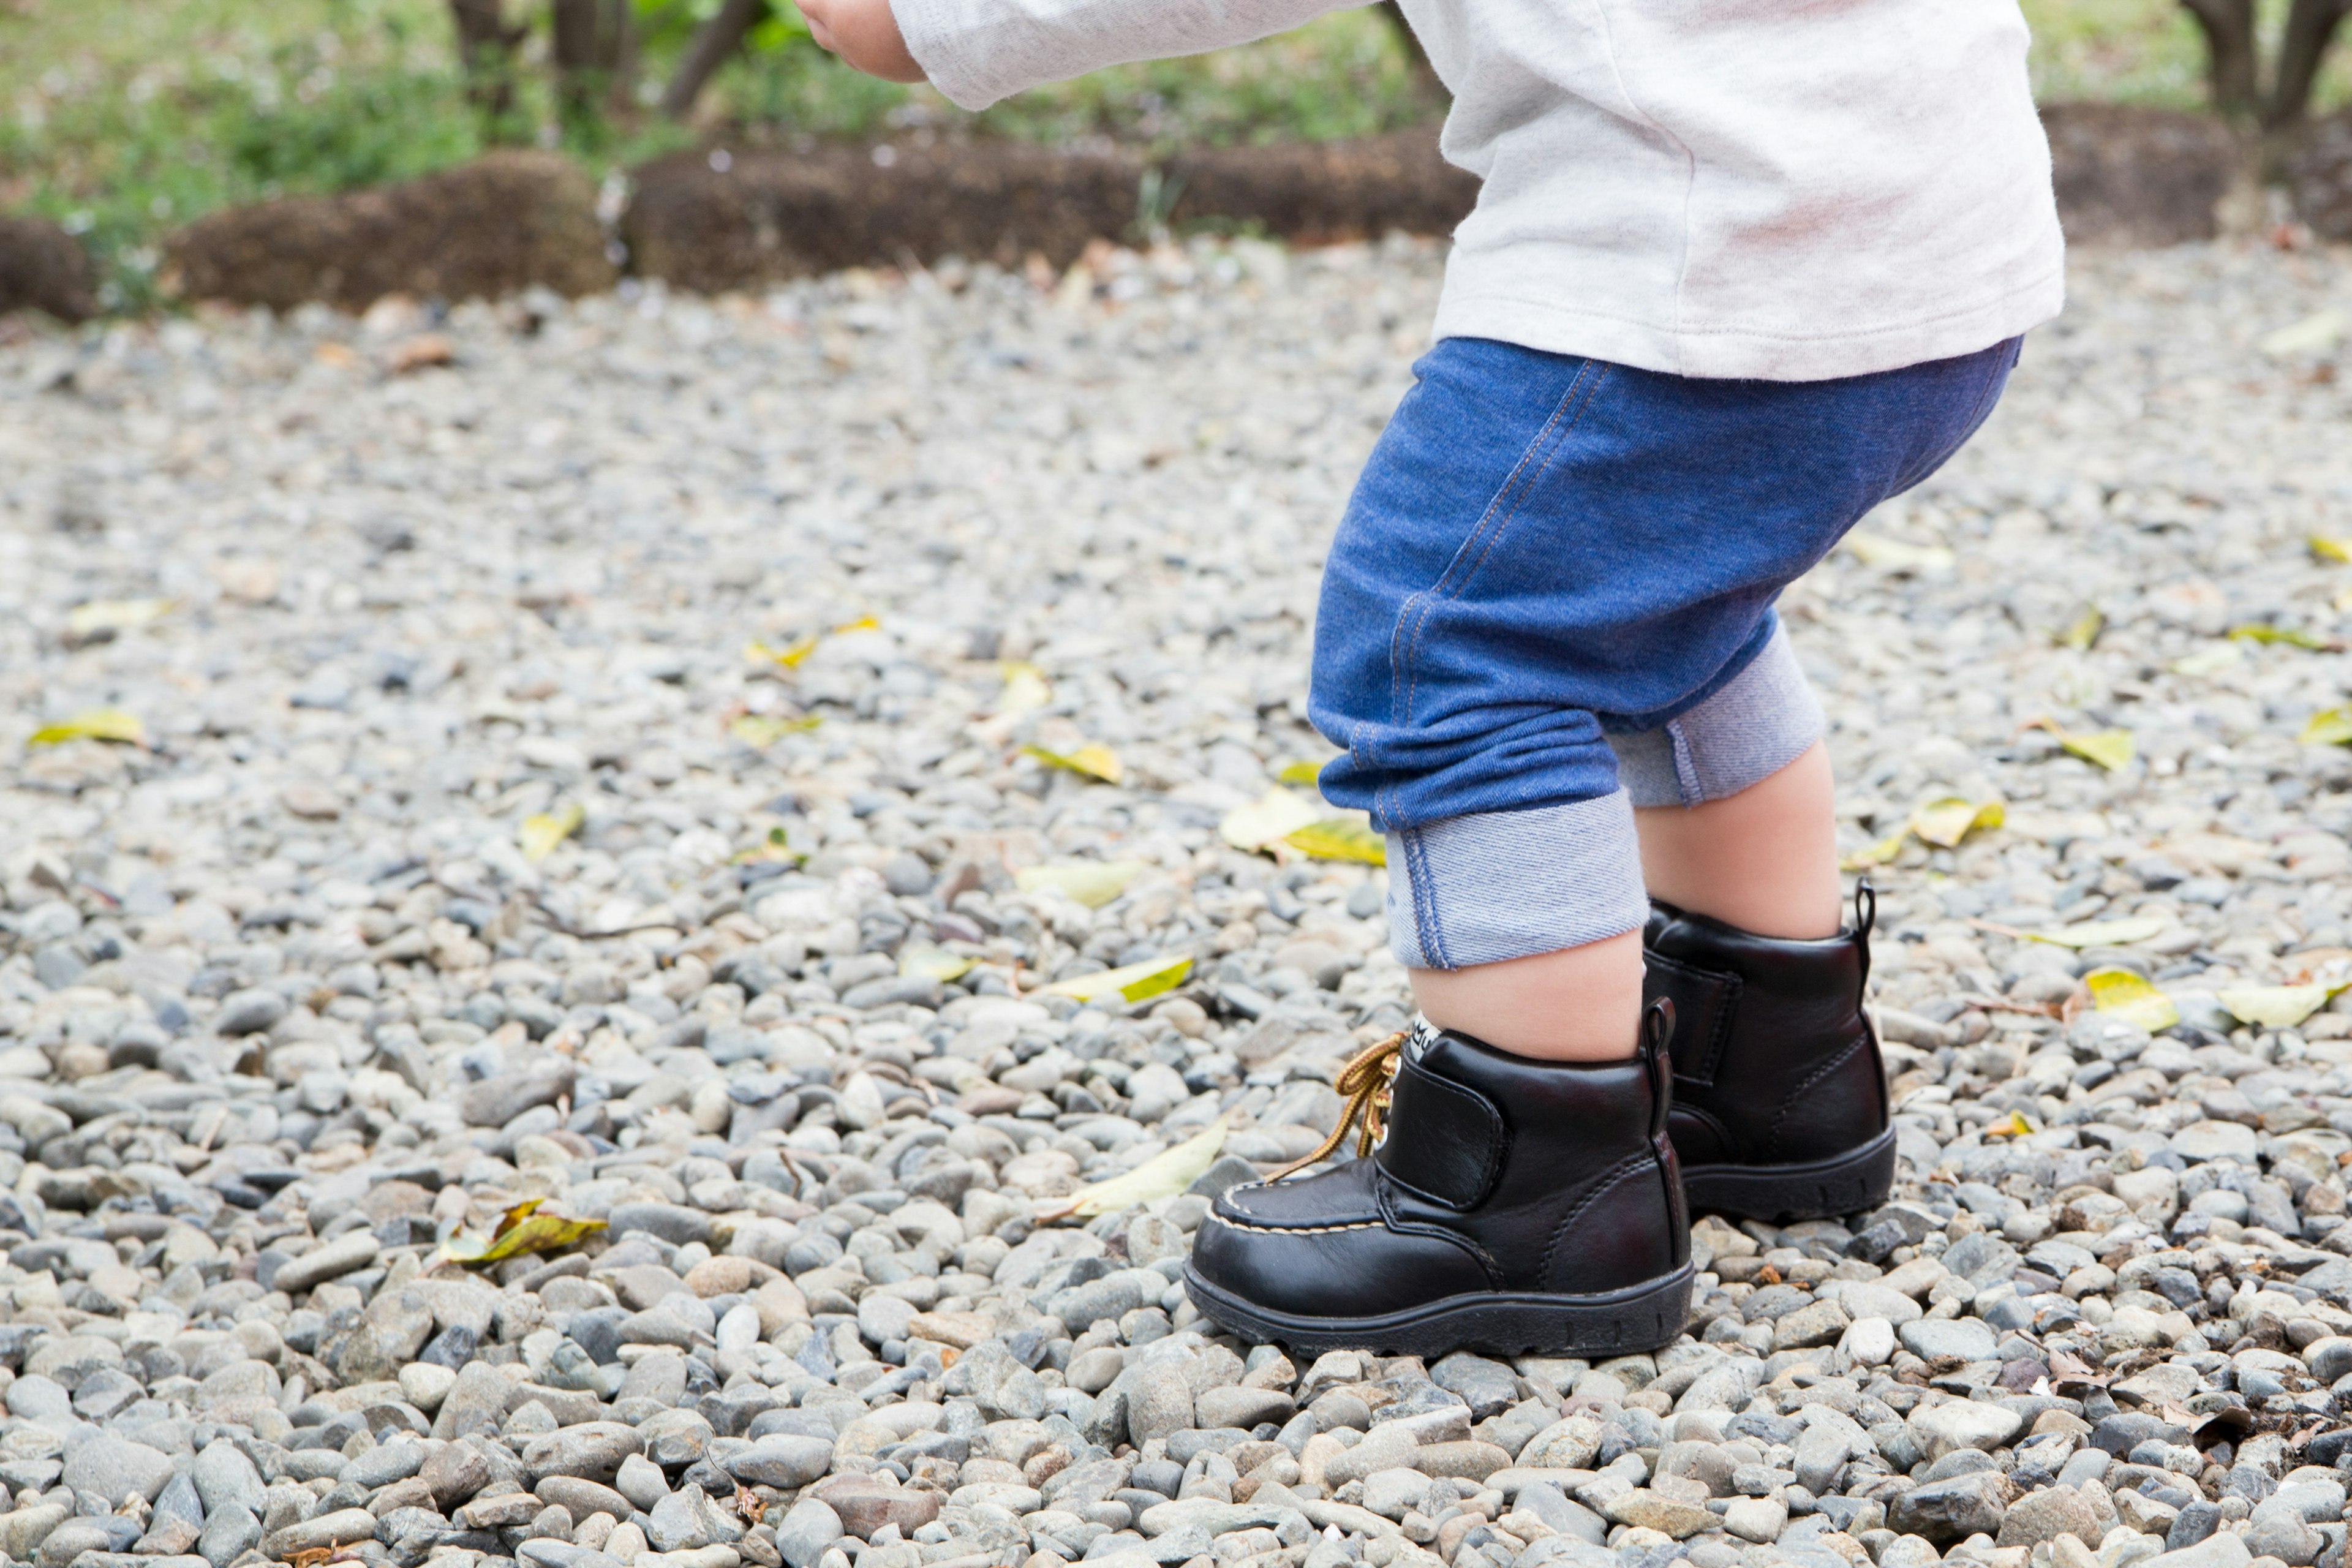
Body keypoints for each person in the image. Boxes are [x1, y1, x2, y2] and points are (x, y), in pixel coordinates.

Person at [798, 0, 2064, 1355]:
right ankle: (1764, 1069)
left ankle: (1537, 1184)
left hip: (1699, 245)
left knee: (1445, 640)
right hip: (1930, 226)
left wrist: (929, 20)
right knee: (1645, 588)